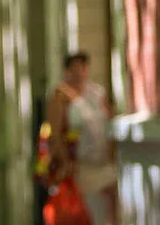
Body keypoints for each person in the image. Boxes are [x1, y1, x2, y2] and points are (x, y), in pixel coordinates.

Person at [46, 52, 118, 225]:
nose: (79, 72)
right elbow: (54, 133)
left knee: (110, 214)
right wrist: (64, 161)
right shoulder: (61, 96)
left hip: (104, 163)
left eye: (82, 68)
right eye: (74, 68)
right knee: (87, 214)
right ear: (67, 71)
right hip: (80, 166)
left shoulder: (96, 93)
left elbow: (109, 122)